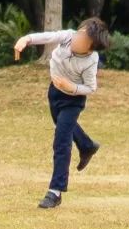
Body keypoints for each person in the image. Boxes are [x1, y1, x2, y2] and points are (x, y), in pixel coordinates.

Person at [13, 16, 113, 209]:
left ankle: (55, 192)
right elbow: (48, 36)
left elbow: (91, 88)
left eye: (83, 40)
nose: (77, 39)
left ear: (91, 47)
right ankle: (87, 145)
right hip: (55, 93)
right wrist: (26, 39)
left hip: (73, 101)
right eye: (79, 34)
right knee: (63, 128)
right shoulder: (68, 36)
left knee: (61, 140)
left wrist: (71, 87)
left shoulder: (91, 60)